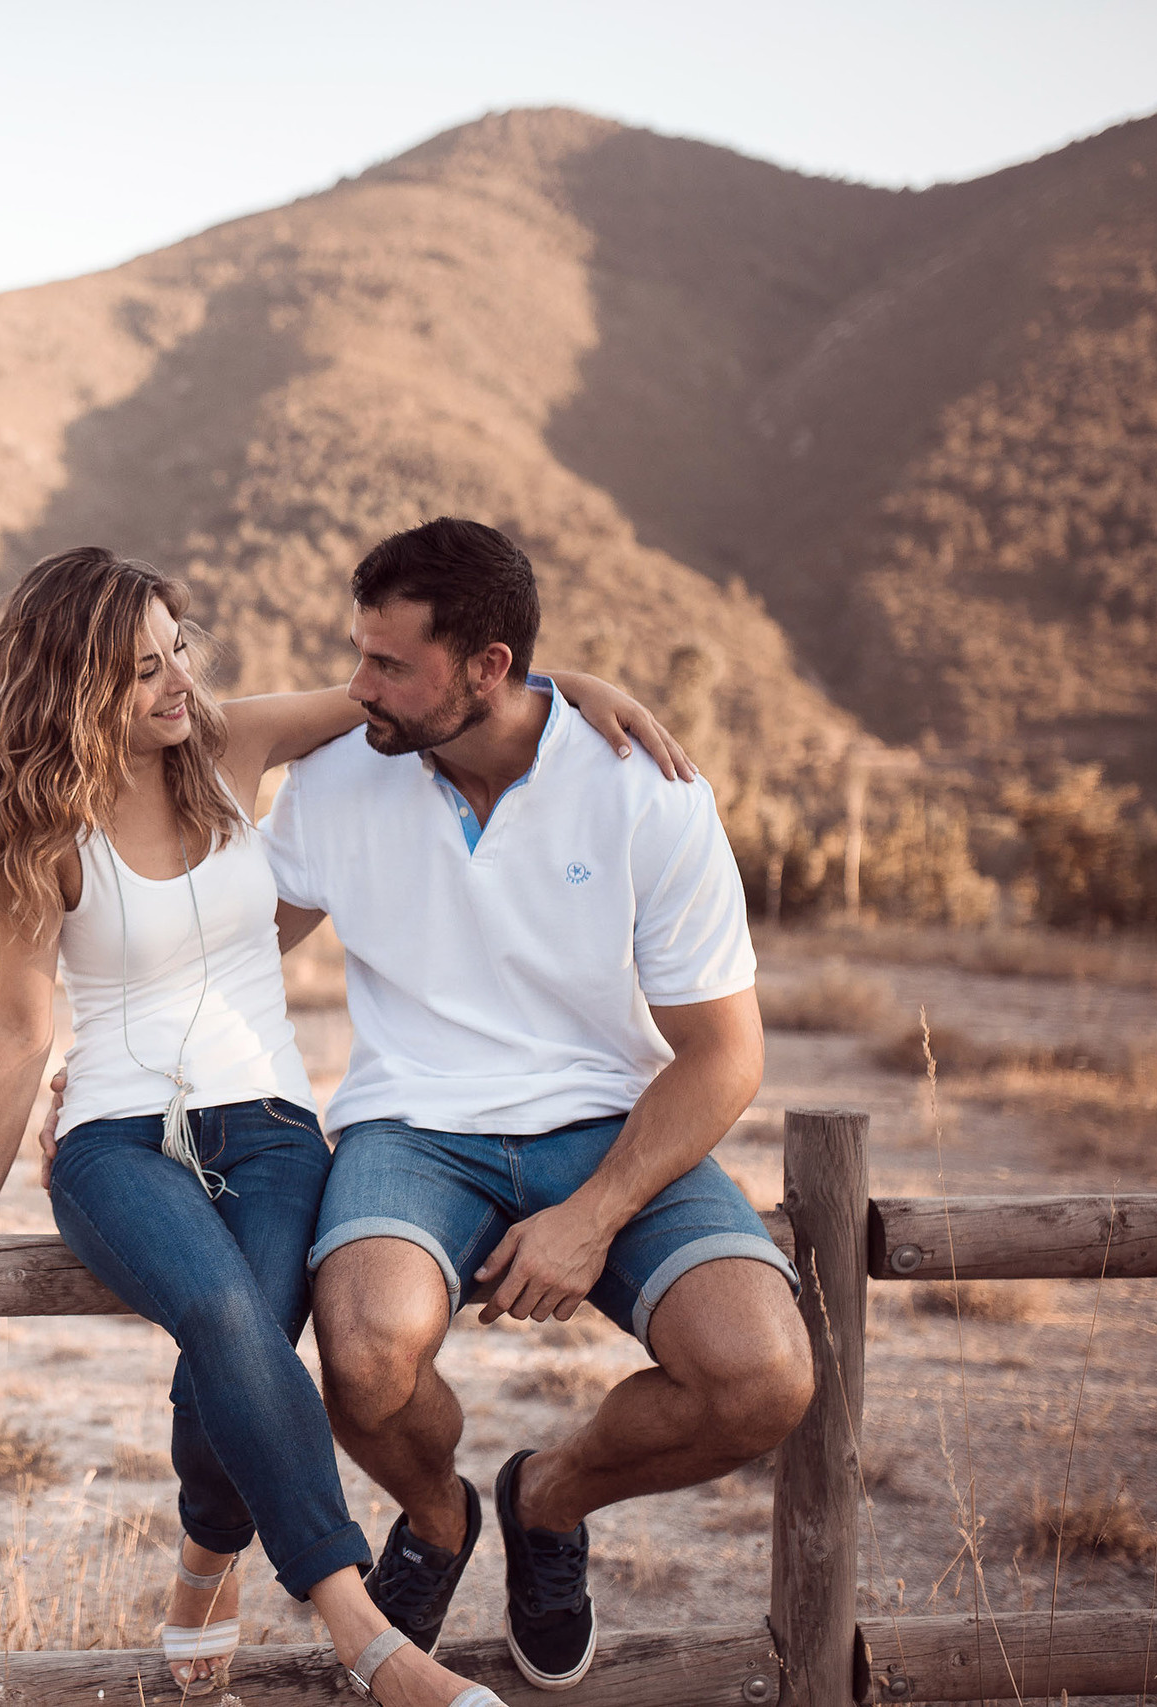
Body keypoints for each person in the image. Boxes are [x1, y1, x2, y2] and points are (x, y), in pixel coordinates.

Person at [0, 544, 689, 1705]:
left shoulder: (232, 744)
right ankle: (363, 1630)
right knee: (222, 1313)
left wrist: (576, 691)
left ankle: (205, 1558)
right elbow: (18, 1027)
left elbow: (429, 696)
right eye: (141, 670)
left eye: (178, 652)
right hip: (114, 1137)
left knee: (246, 1332)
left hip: (267, 1127)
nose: (177, 682)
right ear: (72, 685)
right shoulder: (43, 831)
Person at [260, 517, 813, 1692]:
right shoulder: (338, 774)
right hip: (411, 1124)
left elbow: (723, 1054)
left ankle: (546, 1501)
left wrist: (594, 1214)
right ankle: (437, 1517)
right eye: (356, 654)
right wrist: (105, 1063)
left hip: (608, 1119)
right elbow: (230, 958)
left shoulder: (647, 794)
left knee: (763, 1377)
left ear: (489, 667)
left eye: (388, 664)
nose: (357, 688)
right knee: (363, 1353)